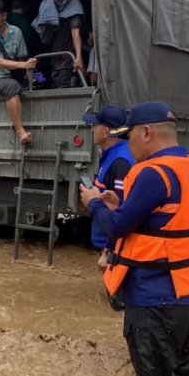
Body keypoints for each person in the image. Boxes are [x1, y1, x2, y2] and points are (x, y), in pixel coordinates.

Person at [79, 102, 189, 376]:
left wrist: (95, 203)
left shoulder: (153, 172)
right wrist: (120, 207)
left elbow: (117, 228)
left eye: (131, 137)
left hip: (154, 299)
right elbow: (168, 218)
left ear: (147, 133)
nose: (129, 145)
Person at [82, 105, 134, 278]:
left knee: (118, 300)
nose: (92, 130)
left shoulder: (120, 162)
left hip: (116, 252)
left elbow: (124, 212)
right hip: (113, 247)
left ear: (105, 131)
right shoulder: (113, 154)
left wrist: (109, 250)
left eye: (95, 126)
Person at [0, 0, 38, 144]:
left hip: (12, 76)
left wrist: (30, 66)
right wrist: (23, 65)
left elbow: (23, 56)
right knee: (10, 86)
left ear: (4, 16)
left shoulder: (16, 32)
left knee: (24, 85)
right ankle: (21, 132)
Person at [44, 0, 85, 89]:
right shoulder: (52, 6)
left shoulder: (73, 5)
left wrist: (78, 57)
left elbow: (75, 33)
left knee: (64, 84)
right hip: (54, 55)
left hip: (67, 56)